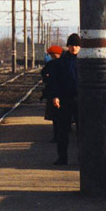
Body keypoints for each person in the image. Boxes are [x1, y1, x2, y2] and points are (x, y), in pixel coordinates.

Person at [46, 33, 80, 165]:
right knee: (62, 131)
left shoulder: (84, 62)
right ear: (68, 46)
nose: (74, 48)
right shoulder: (60, 63)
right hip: (64, 99)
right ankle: (62, 157)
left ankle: (82, 157)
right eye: (72, 45)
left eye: (77, 45)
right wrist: (55, 96)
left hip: (80, 99)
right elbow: (54, 81)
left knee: (82, 131)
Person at [40, 45, 63, 140]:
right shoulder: (63, 62)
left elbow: (43, 74)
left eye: (52, 55)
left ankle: (56, 136)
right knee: (60, 116)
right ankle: (60, 135)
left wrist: (47, 78)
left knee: (55, 117)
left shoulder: (50, 64)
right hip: (61, 92)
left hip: (53, 92)